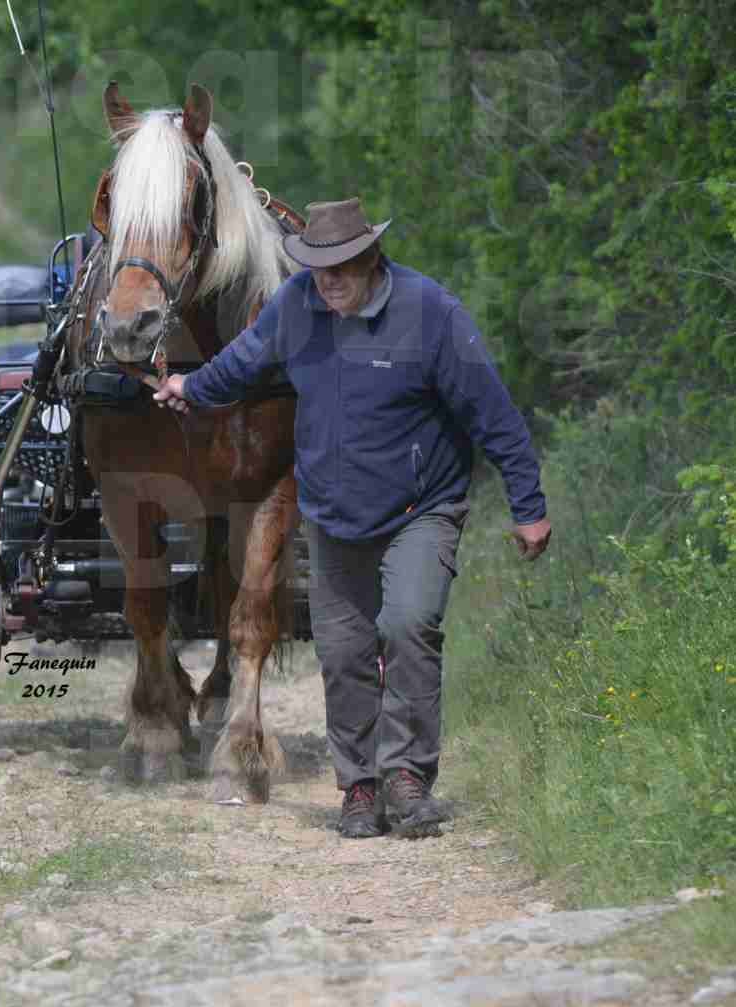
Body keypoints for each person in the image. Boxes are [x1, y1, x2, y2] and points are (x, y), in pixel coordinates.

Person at [154, 198, 552, 839]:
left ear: (370, 258)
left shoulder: (431, 314)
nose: (327, 280)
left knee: (408, 624)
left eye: (340, 267)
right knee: (343, 654)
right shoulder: (297, 307)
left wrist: (527, 505)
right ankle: (360, 788)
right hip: (336, 517)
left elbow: (494, 415)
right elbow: (246, 359)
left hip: (421, 508)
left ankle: (408, 778)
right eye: (315, 267)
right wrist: (190, 387)